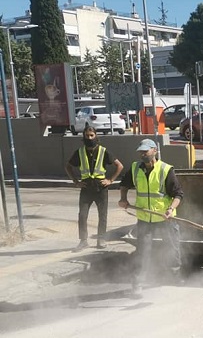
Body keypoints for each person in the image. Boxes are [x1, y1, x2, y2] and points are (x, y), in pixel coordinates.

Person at [118, 139, 184, 299]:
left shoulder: (165, 170)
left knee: (172, 249)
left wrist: (170, 209)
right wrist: (123, 198)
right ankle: (137, 283)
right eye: (140, 151)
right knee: (142, 252)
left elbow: (178, 194)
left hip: (165, 219)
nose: (142, 154)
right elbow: (124, 184)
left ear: (154, 150)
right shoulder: (135, 168)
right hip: (145, 219)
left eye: (145, 151)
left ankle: (174, 277)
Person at [65, 126, 123, 252]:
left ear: (96, 136)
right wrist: (76, 181)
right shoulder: (79, 152)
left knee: (102, 215)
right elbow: (68, 166)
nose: (90, 138)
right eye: (87, 135)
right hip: (86, 187)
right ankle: (83, 241)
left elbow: (119, 166)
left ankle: (101, 239)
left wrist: (110, 180)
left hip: (101, 188)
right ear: (84, 137)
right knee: (82, 215)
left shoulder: (103, 151)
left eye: (92, 135)